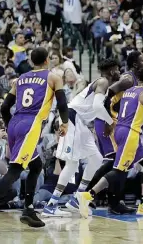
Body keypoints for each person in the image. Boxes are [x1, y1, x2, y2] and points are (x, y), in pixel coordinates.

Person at [0, 47, 70, 232]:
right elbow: (63, 103)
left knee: (35, 166)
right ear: (47, 60)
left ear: (31, 61)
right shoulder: (53, 77)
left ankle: (28, 209)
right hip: (31, 124)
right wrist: (64, 123)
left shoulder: (20, 79)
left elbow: (4, 107)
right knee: (16, 168)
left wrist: (10, 126)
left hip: (15, 122)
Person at [76, 65, 143, 219]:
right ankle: (88, 195)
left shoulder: (129, 91)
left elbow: (110, 100)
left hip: (120, 130)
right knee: (119, 170)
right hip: (130, 133)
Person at [42, 58, 120, 217]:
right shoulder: (103, 81)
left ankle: (76, 199)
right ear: (112, 70)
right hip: (71, 118)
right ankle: (51, 205)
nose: (119, 72)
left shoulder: (103, 83)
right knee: (72, 164)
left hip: (81, 122)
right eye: (117, 69)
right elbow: (98, 107)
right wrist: (110, 121)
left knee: (97, 158)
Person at [84, 51, 143, 215]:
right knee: (114, 162)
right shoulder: (128, 79)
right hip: (107, 122)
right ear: (135, 64)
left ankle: (112, 202)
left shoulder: (138, 81)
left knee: (119, 164)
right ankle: (87, 195)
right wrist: (107, 120)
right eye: (142, 59)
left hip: (116, 124)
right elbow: (107, 95)